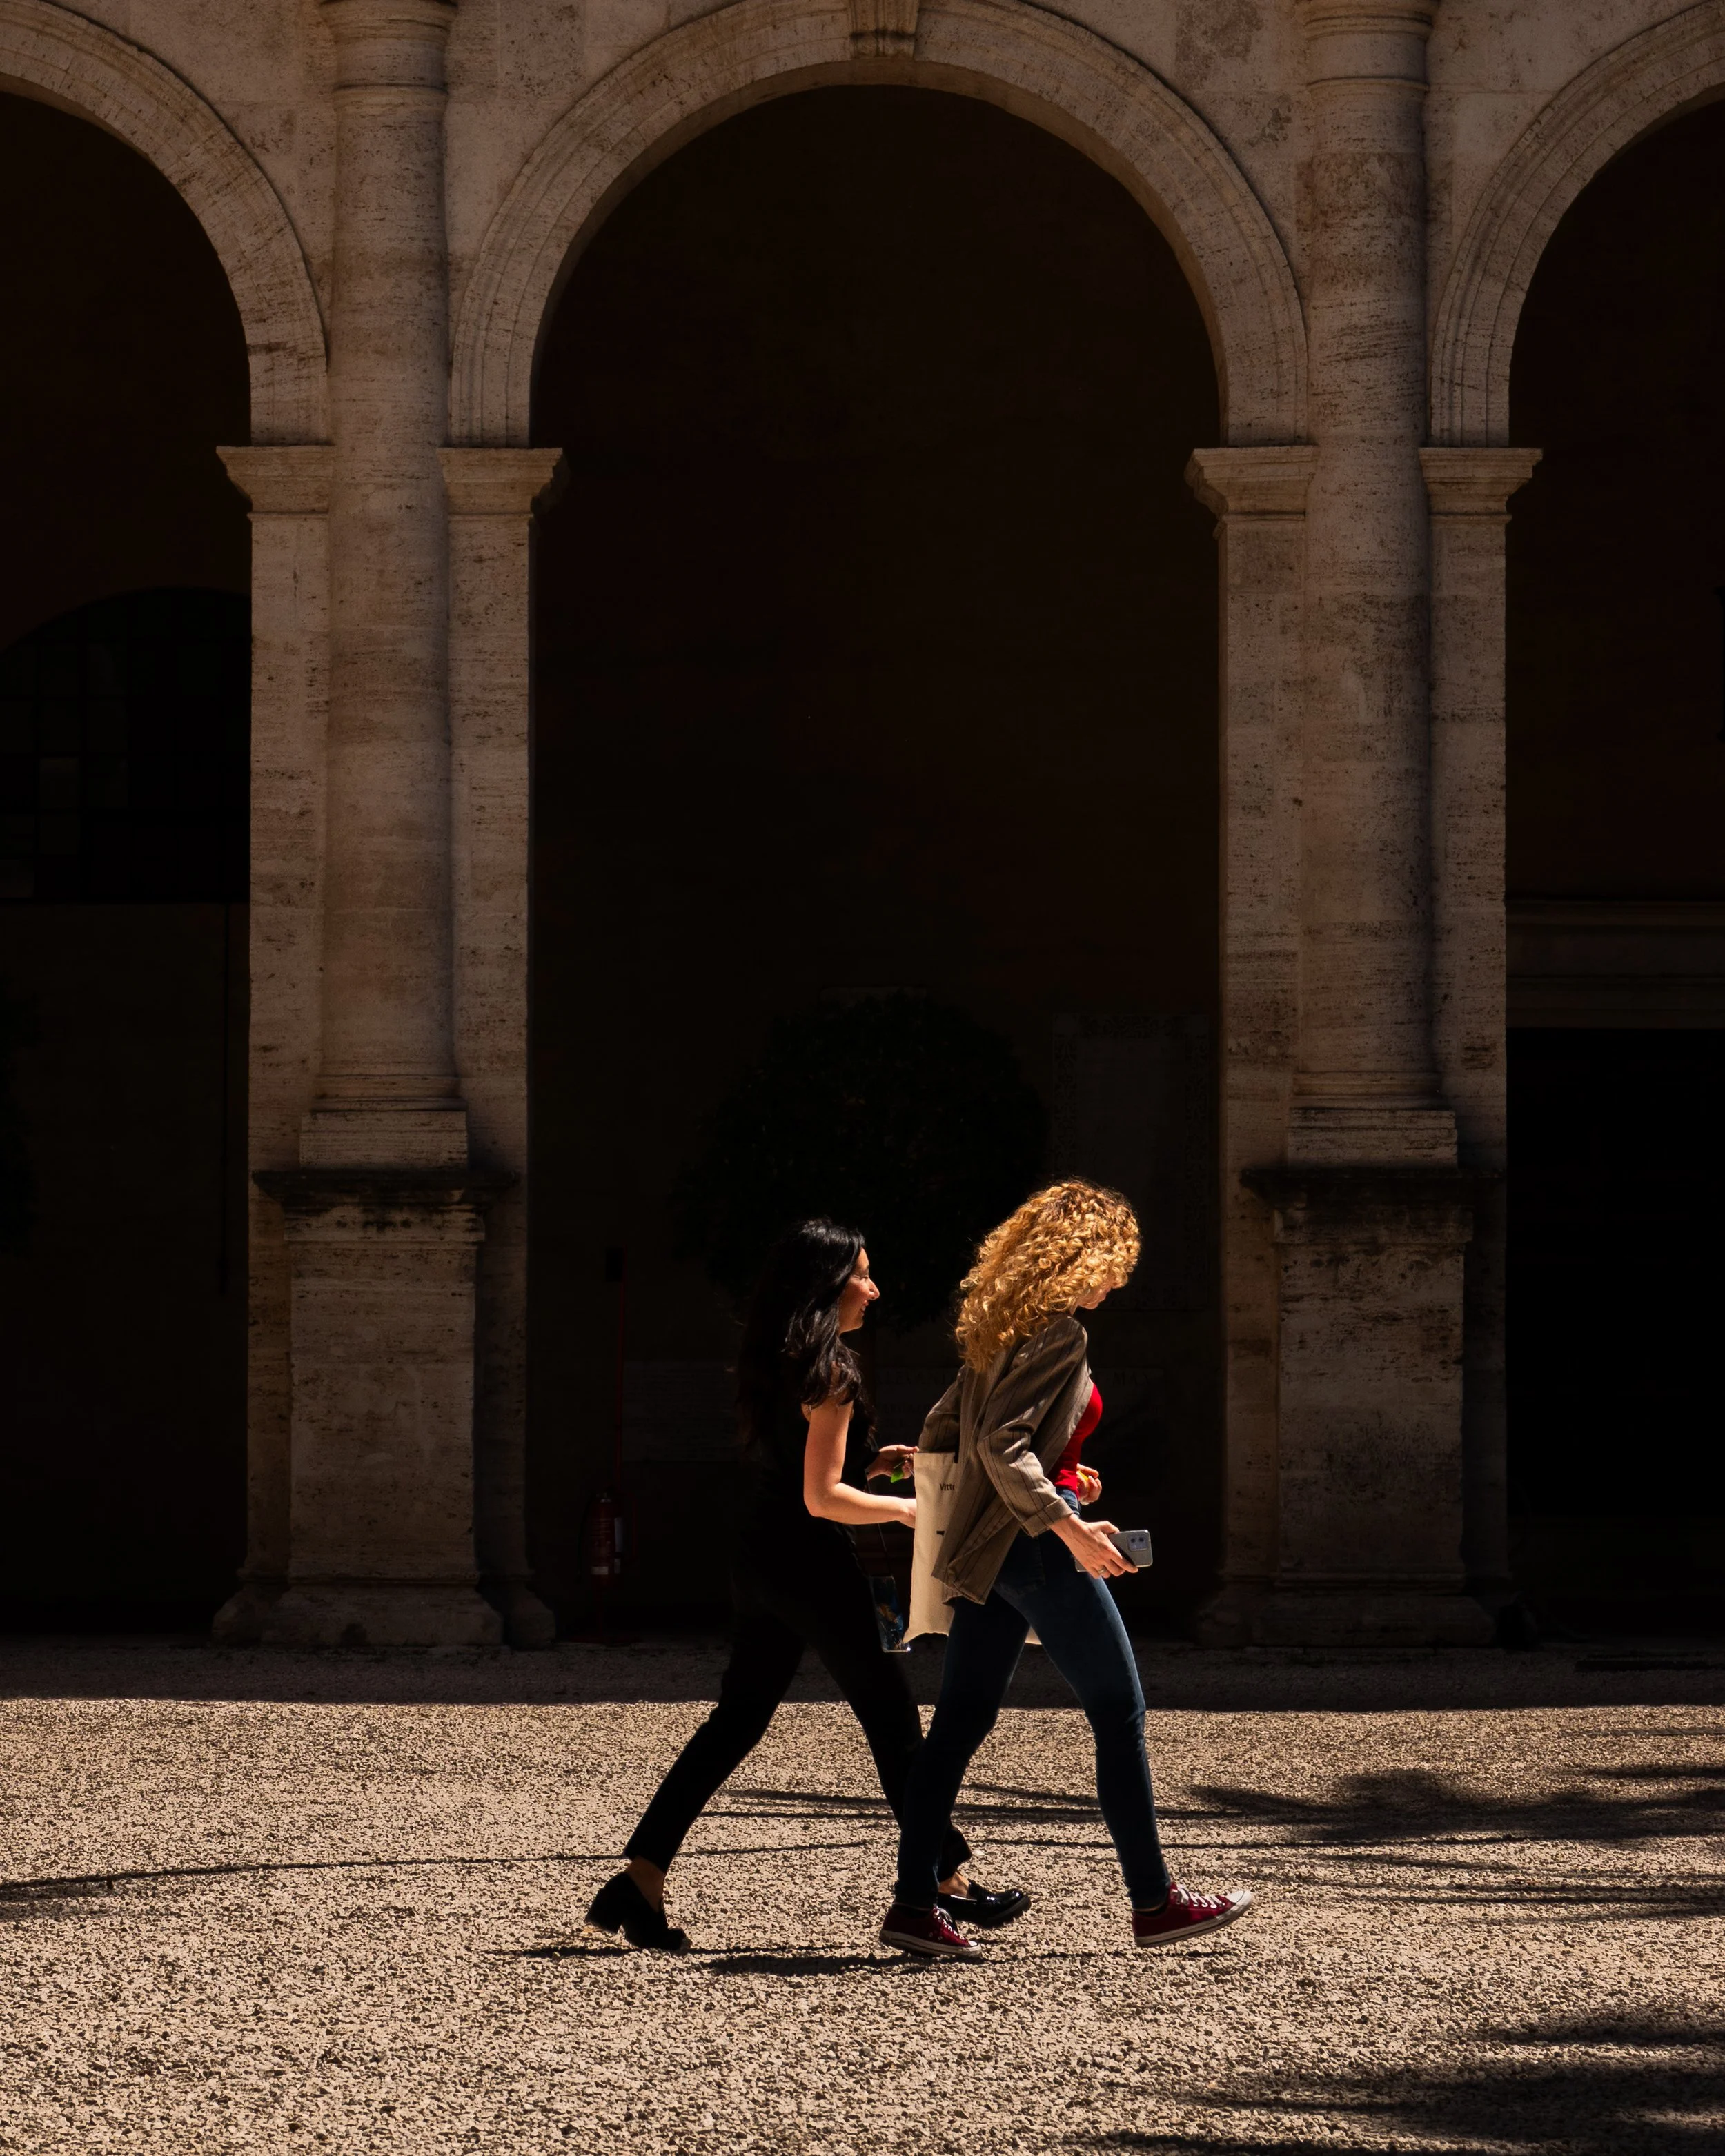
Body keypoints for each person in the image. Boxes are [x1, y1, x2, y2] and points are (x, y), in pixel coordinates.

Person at [586, 1218, 1027, 1952]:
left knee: (736, 1720)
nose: (874, 1288)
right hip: (813, 1563)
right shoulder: (833, 1370)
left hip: (760, 1556)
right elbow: (822, 1499)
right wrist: (911, 1506)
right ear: (829, 1285)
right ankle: (944, 1882)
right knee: (893, 1723)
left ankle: (640, 1879)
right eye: (862, 1273)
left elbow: (809, 1472)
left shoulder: (779, 1358)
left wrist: (875, 1460)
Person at [879, 1180, 1254, 1957]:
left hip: (993, 1546)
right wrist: (1066, 1526)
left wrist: (1062, 1483)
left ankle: (914, 1905)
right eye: (1112, 1263)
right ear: (1077, 1256)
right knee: (1119, 1711)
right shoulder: (1059, 1334)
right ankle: (1154, 1902)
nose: (1116, 1281)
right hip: (1033, 1548)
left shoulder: (995, 1330)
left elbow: (951, 1430)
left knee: (958, 1724)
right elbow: (999, 1446)